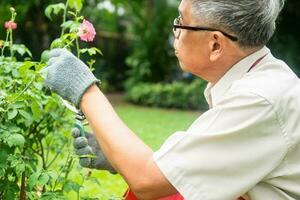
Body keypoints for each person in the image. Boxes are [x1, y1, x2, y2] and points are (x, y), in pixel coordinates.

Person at [44, 0, 300, 199]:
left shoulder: (258, 100)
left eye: (182, 20)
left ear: (216, 45)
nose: (175, 30)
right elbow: (191, 170)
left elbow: (147, 181)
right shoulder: (260, 82)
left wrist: (85, 91)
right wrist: (117, 157)